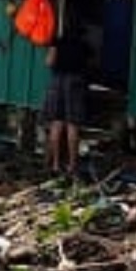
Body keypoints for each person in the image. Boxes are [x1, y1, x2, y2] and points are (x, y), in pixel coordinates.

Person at [43, 25, 90, 175]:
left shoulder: (57, 41)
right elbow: (89, 66)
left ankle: (56, 164)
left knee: (56, 123)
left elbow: (49, 62)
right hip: (75, 82)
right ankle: (72, 165)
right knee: (72, 124)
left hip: (57, 81)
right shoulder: (84, 46)